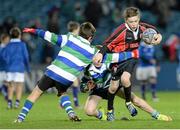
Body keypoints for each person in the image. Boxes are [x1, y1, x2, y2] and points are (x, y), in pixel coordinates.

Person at [14, 22, 136, 123]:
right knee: (62, 93)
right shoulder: (93, 51)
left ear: (79, 32)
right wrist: (132, 53)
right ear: (91, 38)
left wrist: (33, 31)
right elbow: (114, 58)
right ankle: (72, 113)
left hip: (53, 72)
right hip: (67, 78)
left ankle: (20, 118)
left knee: (36, 93)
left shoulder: (70, 38)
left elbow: (49, 36)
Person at [93, 7, 162, 120]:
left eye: (136, 21)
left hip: (131, 57)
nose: (134, 24)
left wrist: (159, 36)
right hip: (117, 59)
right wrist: (100, 54)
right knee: (113, 88)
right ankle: (110, 110)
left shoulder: (142, 27)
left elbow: (153, 28)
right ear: (125, 21)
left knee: (125, 79)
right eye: (131, 22)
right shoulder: (120, 31)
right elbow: (107, 43)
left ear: (138, 19)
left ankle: (128, 103)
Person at [81, 63, 172, 121]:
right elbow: (83, 84)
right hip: (98, 90)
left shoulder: (109, 63)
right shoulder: (88, 68)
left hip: (113, 86)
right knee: (89, 111)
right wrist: (85, 88)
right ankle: (101, 115)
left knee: (135, 100)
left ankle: (157, 115)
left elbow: (120, 71)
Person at [2, 27, 30, 109]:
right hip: (19, 68)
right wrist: (27, 67)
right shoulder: (22, 44)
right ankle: (17, 102)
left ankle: (9, 102)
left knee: (10, 85)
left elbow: (4, 56)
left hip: (10, 68)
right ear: (19, 35)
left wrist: (7, 63)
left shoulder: (8, 45)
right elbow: (26, 57)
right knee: (19, 85)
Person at [67, 21, 80, 107]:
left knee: (66, 84)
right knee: (75, 83)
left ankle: (62, 103)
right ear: (75, 29)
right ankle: (76, 104)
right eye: (78, 29)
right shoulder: (75, 38)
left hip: (65, 63)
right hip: (71, 64)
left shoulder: (66, 37)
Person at [0, 33, 10, 101]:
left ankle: (6, 95)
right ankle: (6, 95)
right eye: (7, 39)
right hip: (2, 69)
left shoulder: (6, 48)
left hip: (6, 69)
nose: (8, 41)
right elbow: (3, 59)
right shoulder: (1, 48)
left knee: (6, 82)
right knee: (4, 83)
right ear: (3, 40)